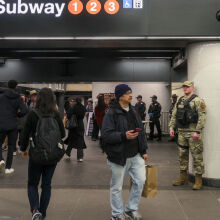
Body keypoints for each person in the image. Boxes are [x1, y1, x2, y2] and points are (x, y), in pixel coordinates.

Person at [102, 84, 148, 220]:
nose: (131, 95)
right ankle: (117, 214)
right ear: (120, 95)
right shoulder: (111, 113)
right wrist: (123, 136)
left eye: (131, 92)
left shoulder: (134, 110)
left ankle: (130, 209)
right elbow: (106, 135)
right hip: (118, 156)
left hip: (136, 155)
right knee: (116, 187)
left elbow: (141, 131)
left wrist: (144, 150)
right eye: (128, 93)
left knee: (140, 181)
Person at [19, 88, 65, 220]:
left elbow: (25, 134)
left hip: (37, 155)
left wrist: (23, 149)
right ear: (53, 99)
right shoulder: (56, 114)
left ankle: (35, 210)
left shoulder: (33, 114)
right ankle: (43, 214)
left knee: (32, 184)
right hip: (52, 155)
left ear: (38, 99)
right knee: (46, 185)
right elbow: (62, 134)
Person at [169, 81, 206, 190]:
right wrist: (171, 127)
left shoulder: (198, 101)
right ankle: (183, 177)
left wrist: (198, 131)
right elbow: (174, 115)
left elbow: (202, 117)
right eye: (184, 87)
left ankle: (198, 180)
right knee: (182, 156)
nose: (185, 88)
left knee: (197, 156)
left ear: (192, 88)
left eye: (187, 87)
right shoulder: (180, 100)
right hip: (181, 132)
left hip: (193, 133)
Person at [0, 80, 27, 174]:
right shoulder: (18, 98)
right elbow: (24, 110)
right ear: (16, 86)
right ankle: (8, 168)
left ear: (7, 86)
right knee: (11, 146)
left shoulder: (1, 96)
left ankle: (0, 160)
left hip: (1, 124)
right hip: (12, 124)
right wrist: (17, 115)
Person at [66, 97, 86, 162]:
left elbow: (68, 116)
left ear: (75, 101)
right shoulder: (83, 107)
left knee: (71, 138)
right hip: (80, 125)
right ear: (81, 101)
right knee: (80, 139)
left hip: (73, 125)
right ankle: (80, 157)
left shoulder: (72, 107)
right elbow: (83, 116)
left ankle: (68, 152)